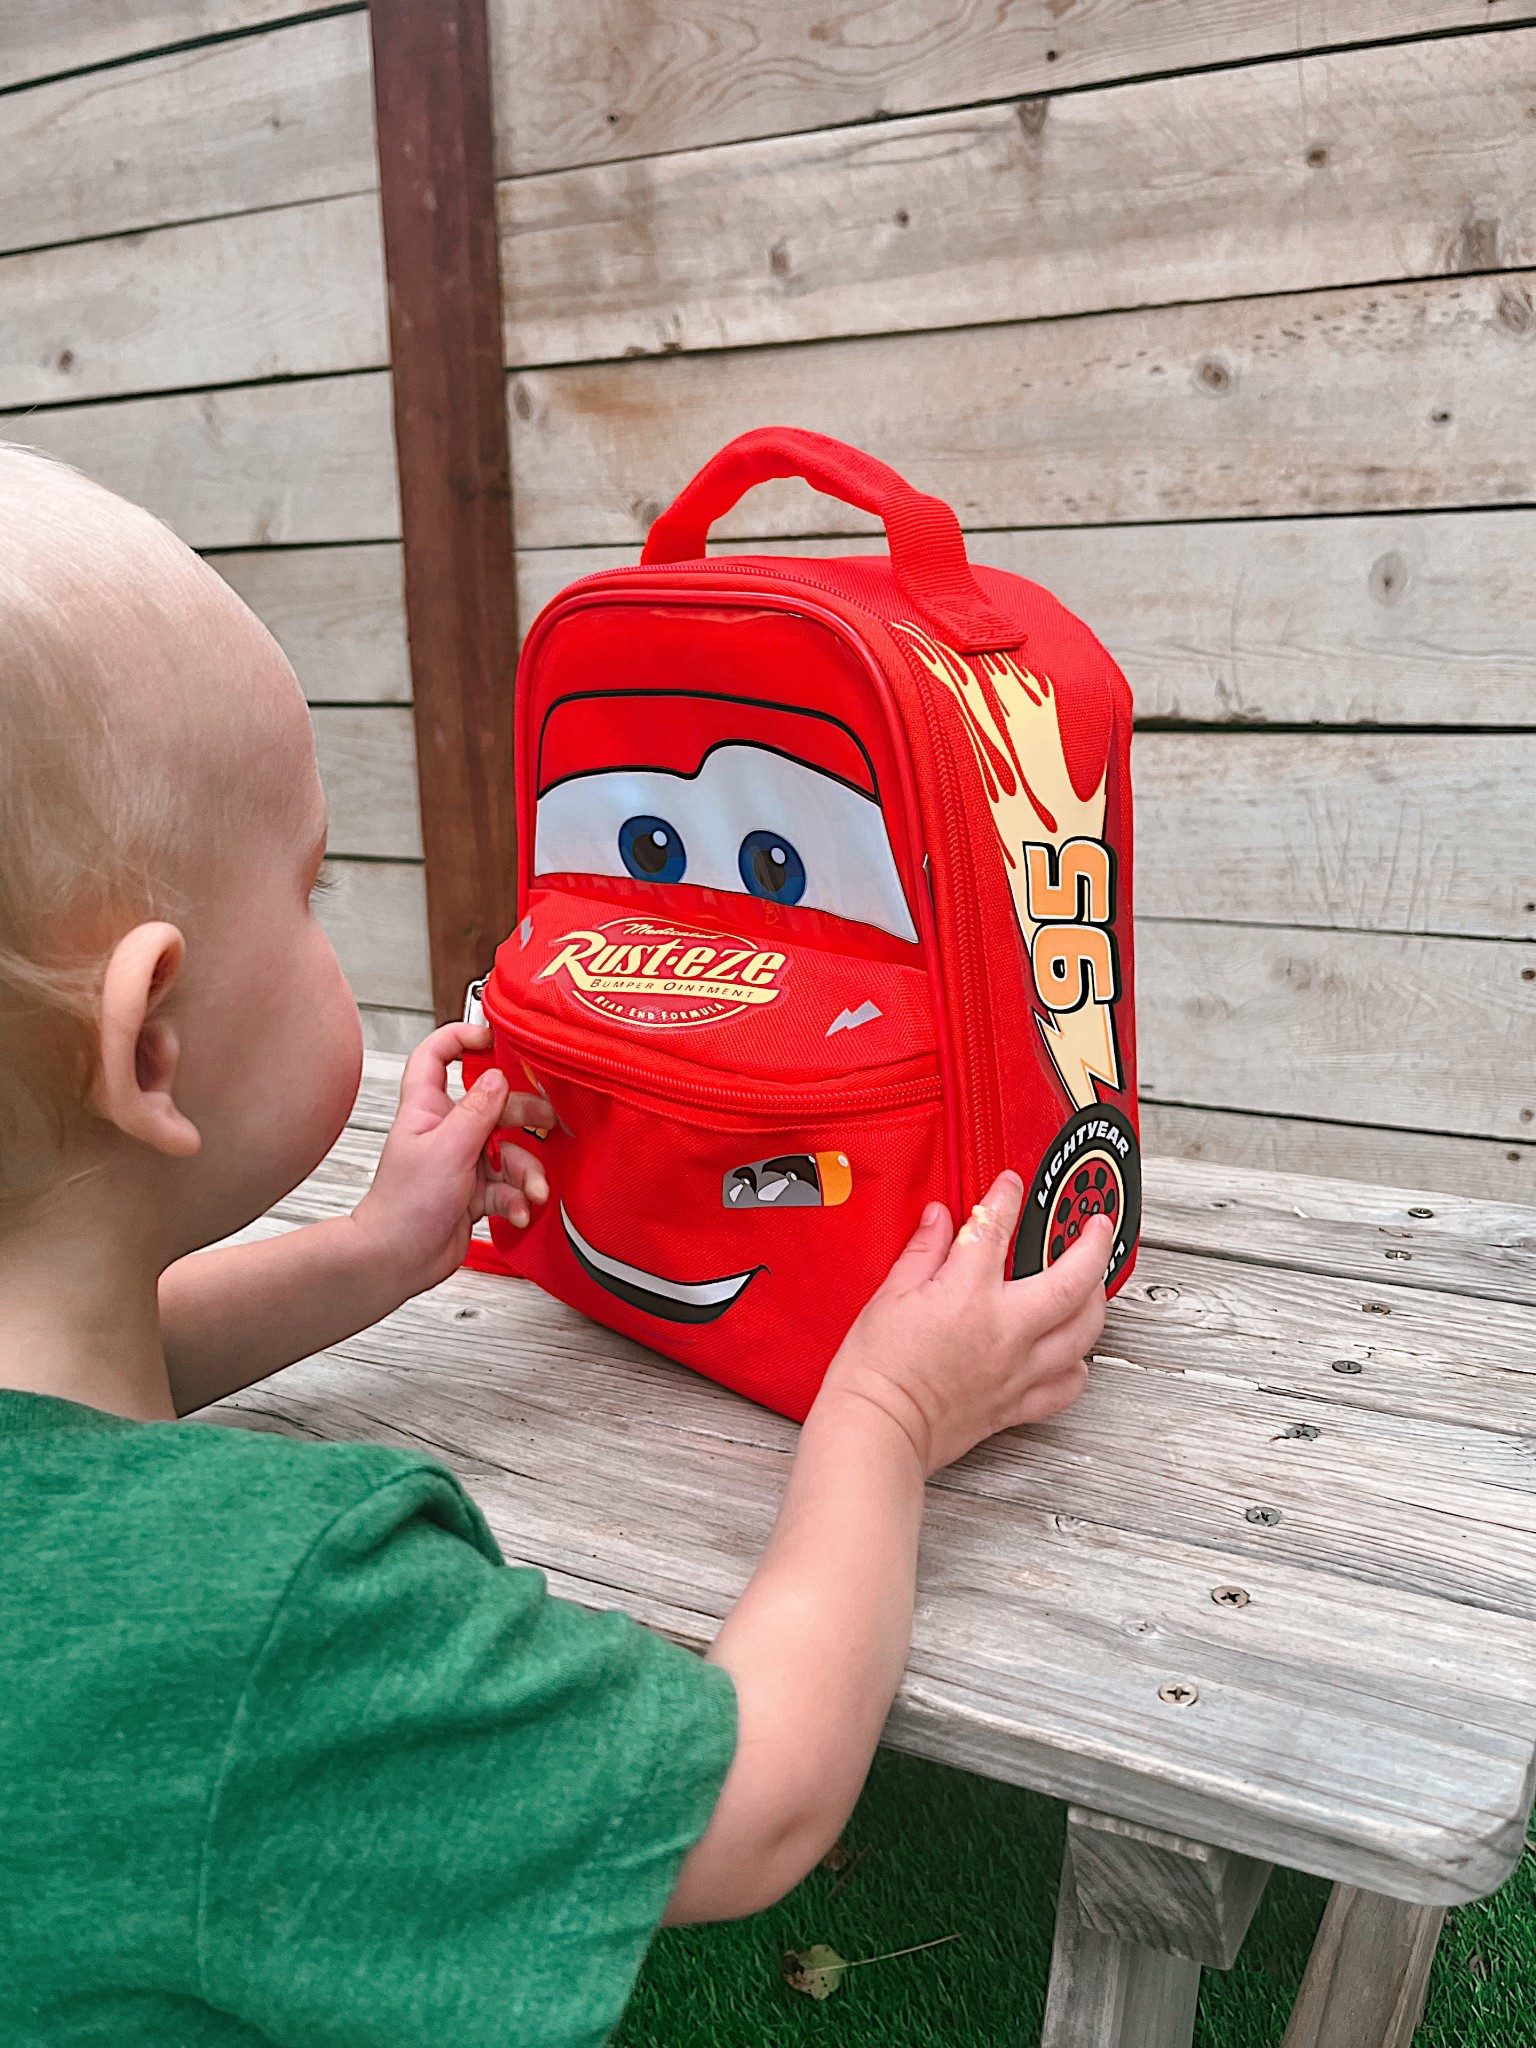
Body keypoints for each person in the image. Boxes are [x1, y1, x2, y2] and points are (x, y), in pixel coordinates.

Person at [0, 444, 1113, 2048]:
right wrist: (885, 1420)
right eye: (313, 893)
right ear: (151, 1048)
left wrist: (375, 1256)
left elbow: (95, 1374)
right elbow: (759, 1805)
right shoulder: (284, 1616)